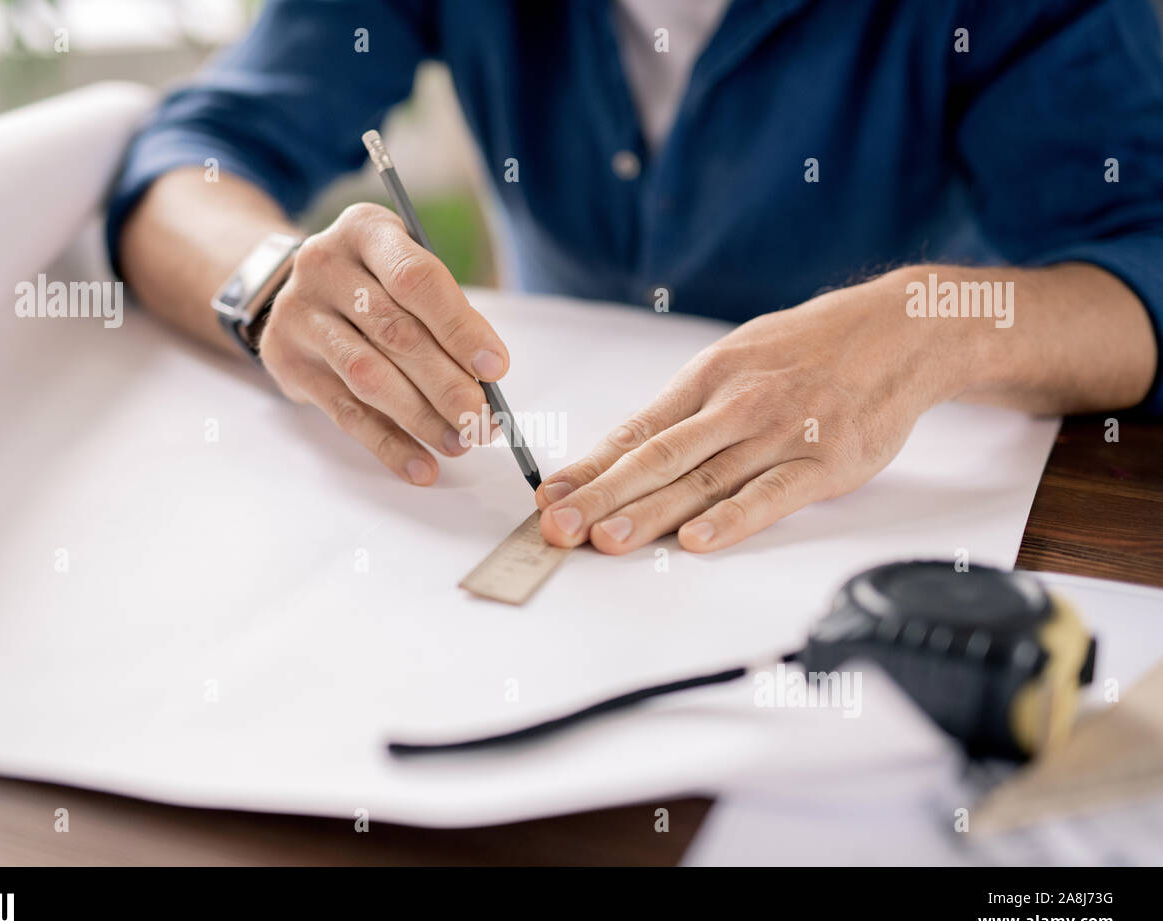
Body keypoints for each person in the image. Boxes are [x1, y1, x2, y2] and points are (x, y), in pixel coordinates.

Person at [108, 0, 1163, 556]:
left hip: (906, 504)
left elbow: (1145, 253)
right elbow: (183, 166)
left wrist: (930, 325)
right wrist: (271, 282)